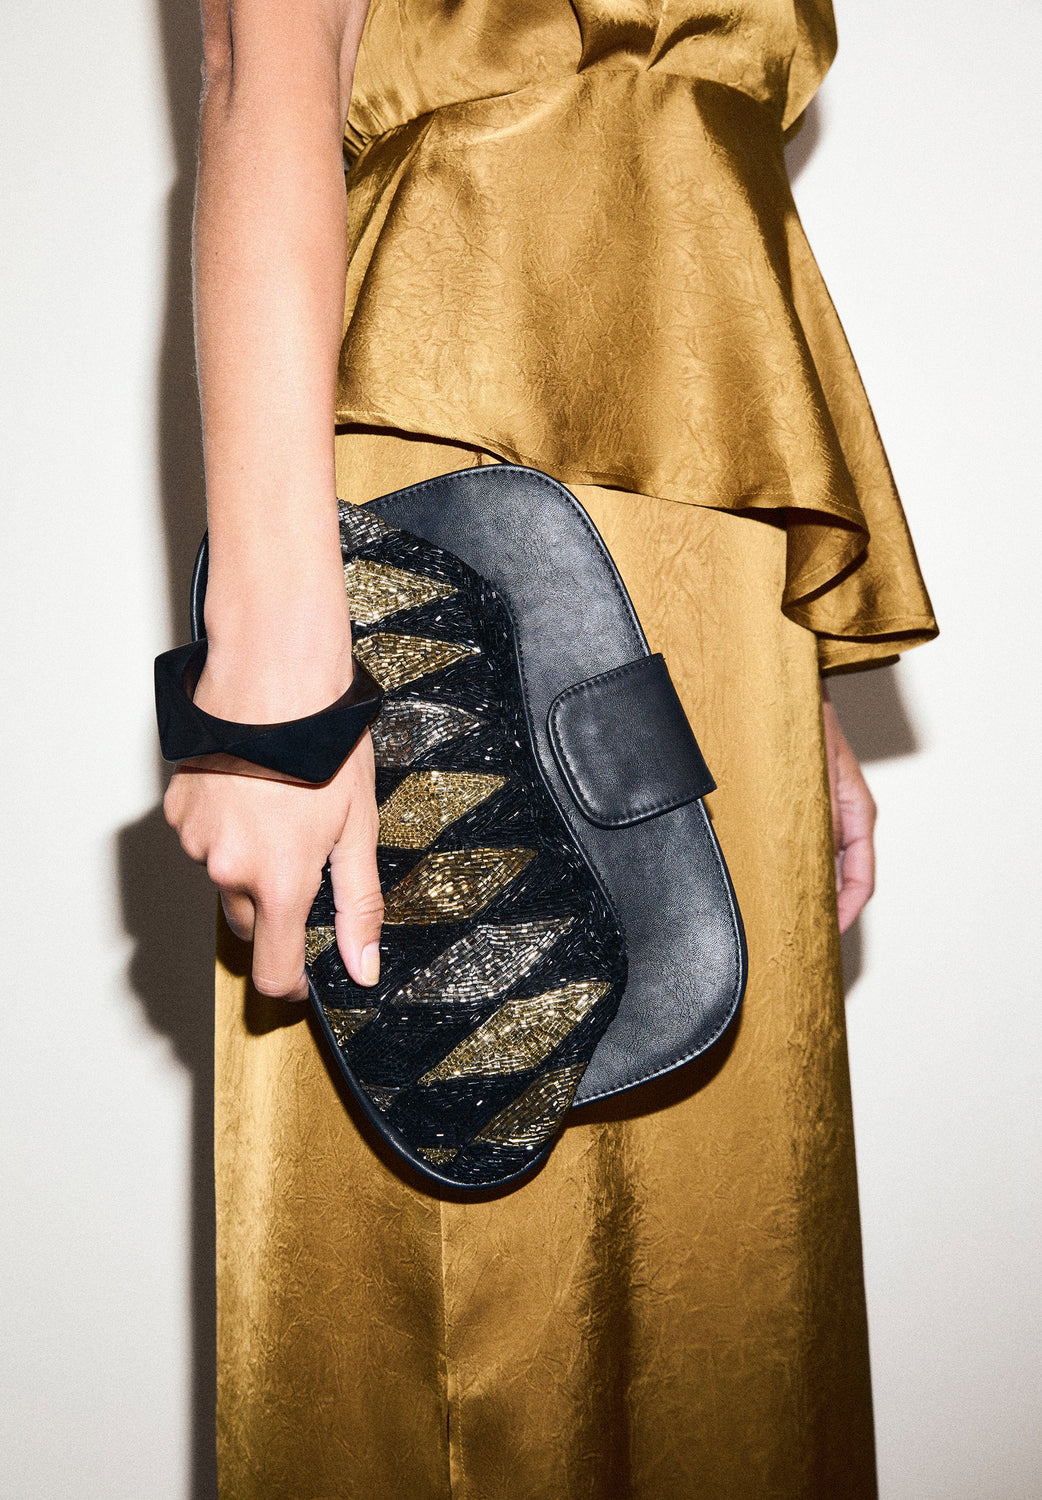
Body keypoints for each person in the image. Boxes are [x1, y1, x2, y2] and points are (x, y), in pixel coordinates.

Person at [164, 0, 937, 1494]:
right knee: (463, 1252)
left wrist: (790, 683)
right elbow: (261, 67)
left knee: (731, 1292)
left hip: (707, 572)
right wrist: (269, 705)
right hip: (451, 504)